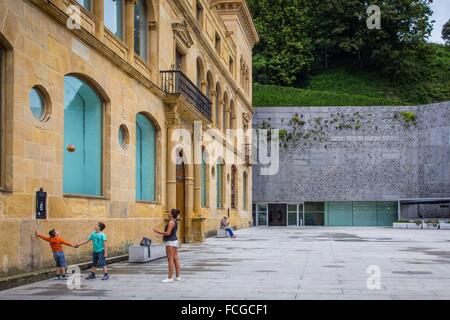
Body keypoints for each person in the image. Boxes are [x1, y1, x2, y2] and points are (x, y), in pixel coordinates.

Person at [153, 209, 181, 283]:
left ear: (171, 215)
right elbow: (171, 233)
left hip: (170, 243)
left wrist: (157, 231)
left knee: (170, 260)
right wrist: (161, 235)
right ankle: (178, 276)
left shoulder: (171, 222)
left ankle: (170, 277)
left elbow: (168, 233)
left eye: (169, 212)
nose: (168, 213)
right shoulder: (175, 221)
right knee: (175, 259)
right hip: (174, 241)